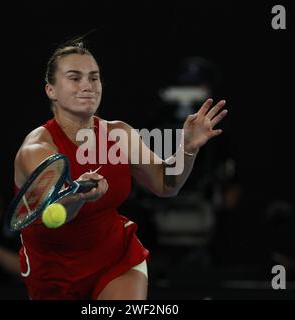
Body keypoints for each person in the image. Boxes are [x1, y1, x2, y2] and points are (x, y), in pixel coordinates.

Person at [13, 39, 228, 300]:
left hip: (114, 257)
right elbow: (52, 217)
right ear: (51, 90)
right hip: (52, 271)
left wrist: (188, 148)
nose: (87, 86)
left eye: (94, 78)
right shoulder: (36, 150)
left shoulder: (119, 134)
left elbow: (165, 184)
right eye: (74, 78)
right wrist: (80, 196)